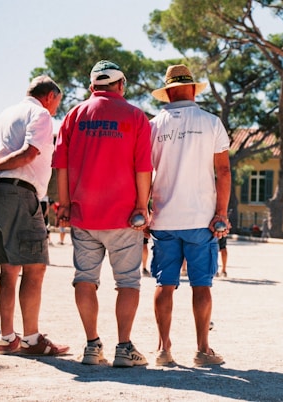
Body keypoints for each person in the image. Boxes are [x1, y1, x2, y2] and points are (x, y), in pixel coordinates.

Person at [52, 60, 152, 367]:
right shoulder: (136, 116)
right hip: (124, 217)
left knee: (85, 279)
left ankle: (92, 346)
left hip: (84, 216)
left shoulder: (74, 115)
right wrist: (142, 206)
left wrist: (65, 206)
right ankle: (124, 348)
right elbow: (143, 167)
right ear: (121, 85)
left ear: (92, 86)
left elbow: (61, 166)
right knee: (128, 283)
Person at [0, 75, 69, 356]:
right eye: (57, 103)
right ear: (50, 96)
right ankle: (32, 340)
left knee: (8, 271)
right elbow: (30, 153)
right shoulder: (40, 114)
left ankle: (7, 338)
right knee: (35, 267)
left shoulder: (4, 114)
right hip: (18, 194)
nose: (55, 110)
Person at [149, 64, 231, 367]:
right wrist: (221, 212)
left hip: (164, 218)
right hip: (201, 219)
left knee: (164, 284)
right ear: (193, 89)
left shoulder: (154, 125)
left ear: (168, 92)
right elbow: (223, 171)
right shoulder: (211, 122)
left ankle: (163, 349)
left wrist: (142, 210)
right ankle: (201, 349)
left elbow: (144, 171)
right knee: (202, 285)